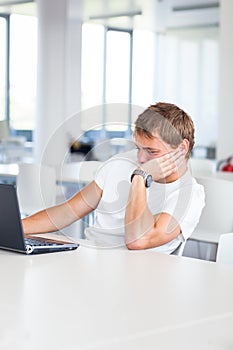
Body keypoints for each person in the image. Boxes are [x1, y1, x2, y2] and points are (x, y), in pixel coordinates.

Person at [22, 102, 205, 253]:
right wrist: (14, 228)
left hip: (138, 277)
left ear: (181, 149)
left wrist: (140, 178)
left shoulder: (189, 195)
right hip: (91, 259)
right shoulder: (121, 162)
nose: (140, 158)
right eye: (138, 147)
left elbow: (137, 240)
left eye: (151, 151)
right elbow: (68, 212)